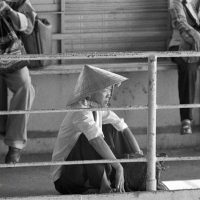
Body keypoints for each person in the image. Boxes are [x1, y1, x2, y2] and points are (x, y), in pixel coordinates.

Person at [51, 65, 143, 194]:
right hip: (66, 178)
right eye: (106, 90)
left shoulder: (97, 108)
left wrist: (139, 156)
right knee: (89, 138)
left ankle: (124, 173)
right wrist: (118, 166)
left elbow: (121, 126)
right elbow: (95, 141)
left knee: (112, 128)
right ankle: (104, 185)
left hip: (84, 171)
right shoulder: (80, 110)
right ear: (89, 92)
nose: (109, 95)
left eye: (111, 90)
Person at [0, 0, 36, 163]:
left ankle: (15, 145)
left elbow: (28, 27)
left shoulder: (18, 1)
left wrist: (8, 10)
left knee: (25, 85)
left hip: (11, 55)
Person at [168, 0, 200, 134]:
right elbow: (180, 22)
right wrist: (198, 37)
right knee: (188, 66)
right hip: (181, 43)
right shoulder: (176, 1)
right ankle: (186, 120)